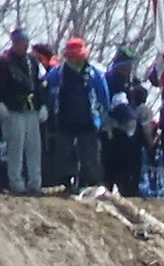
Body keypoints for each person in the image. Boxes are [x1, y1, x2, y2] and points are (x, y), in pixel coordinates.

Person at [45, 38, 109, 194]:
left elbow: (103, 97)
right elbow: (48, 94)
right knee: (63, 155)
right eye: (72, 56)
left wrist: (101, 118)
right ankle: (64, 184)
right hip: (65, 121)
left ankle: (90, 184)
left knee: (91, 157)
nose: (76, 59)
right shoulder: (57, 74)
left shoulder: (94, 73)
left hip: (88, 121)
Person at [0, 30, 44, 193]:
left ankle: (35, 182)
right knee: (16, 147)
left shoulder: (32, 60)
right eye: (20, 42)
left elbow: (39, 84)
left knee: (34, 147)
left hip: (31, 108)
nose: (23, 45)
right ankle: (16, 182)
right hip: (12, 109)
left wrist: (42, 104)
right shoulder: (2, 62)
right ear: (14, 43)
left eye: (25, 42)